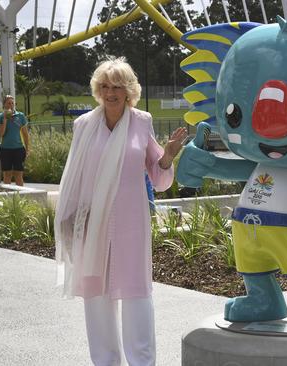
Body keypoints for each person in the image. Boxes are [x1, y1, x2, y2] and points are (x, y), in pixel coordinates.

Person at [53, 57, 187, 366]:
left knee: (137, 295)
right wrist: (67, 220)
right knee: (96, 297)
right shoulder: (83, 125)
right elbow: (74, 173)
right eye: (104, 86)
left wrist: (167, 155)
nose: (110, 92)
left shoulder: (142, 121)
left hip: (130, 223)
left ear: (129, 91)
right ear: (97, 90)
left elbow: (159, 177)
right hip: (90, 223)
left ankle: (142, 361)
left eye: (117, 86)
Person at [0, 95, 29, 186]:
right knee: (7, 175)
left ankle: (21, 197)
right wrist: (5, 119)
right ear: (4, 105)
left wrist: (27, 148)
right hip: (5, 149)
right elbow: (1, 134)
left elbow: (25, 134)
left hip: (19, 149)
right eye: (8, 103)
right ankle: (7, 198)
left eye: (12, 103)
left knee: (18, 175)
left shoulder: (20, 115)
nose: (11, 105)